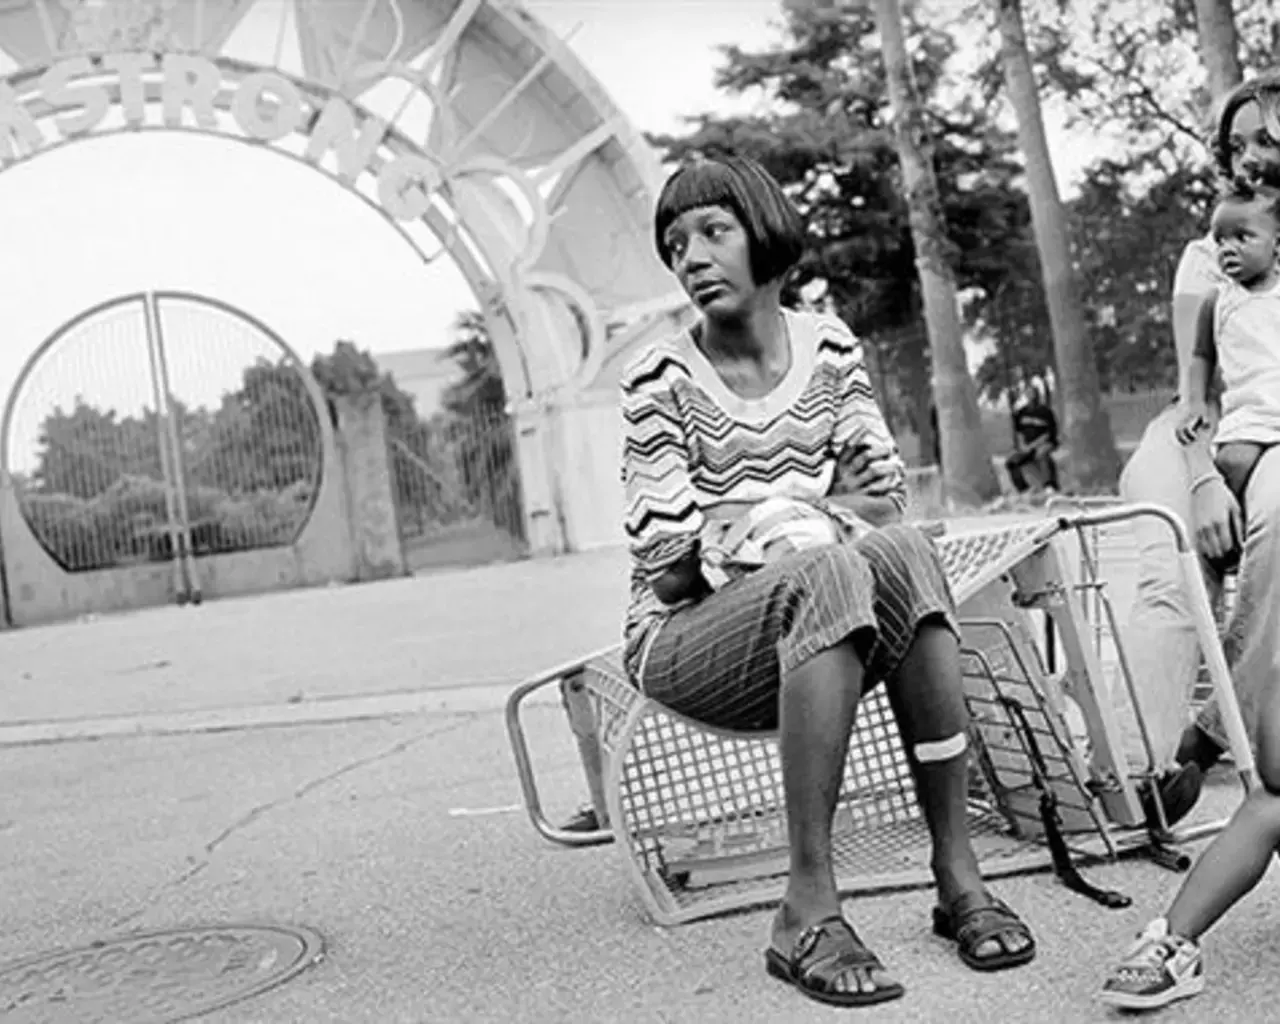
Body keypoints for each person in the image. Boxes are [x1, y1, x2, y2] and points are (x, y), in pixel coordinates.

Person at [619, 152, 1034, 1009]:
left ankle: (957, 871)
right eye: (674, 241)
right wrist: (809, 516)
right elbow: (668, 573)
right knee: (828, 565)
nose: (691, 256)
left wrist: (755, 521)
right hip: (688, 642)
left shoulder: (830, 345)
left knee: (903, 555)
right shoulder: (658, 377)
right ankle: (807, 906)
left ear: (763, 235)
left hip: (822, 616)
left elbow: (884, 503)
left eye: (712, 231)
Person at [1100, 73, 1280, 1011]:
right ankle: (1160, 754)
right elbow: (1193, 391)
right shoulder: (1215, 251)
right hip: (1225, 436)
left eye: (1273, 135)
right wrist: (1207, 473)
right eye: (1242, 138)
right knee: (1174, 520)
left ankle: (1213, 732)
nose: (1256, 150)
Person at [1177, 183, 1280, 519]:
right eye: (1220, 240)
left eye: (1242, 237)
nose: (1227, 249)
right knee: (1231, 464)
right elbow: (1200, 357)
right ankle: (1231, 547)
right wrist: (1194, 403)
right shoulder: (1216, 300)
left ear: (1276, 243)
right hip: (1248, 413)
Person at [1004, 383, 1060, 493]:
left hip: (1045, 443)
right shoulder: (1021, 413)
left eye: (1032, 393)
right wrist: (1023, 446)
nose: (1030, 396)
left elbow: (1049, 434)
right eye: (1028, 393)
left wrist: (1033, 446)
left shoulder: (1045, 412)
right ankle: (1023, 489)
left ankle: (1049, 485)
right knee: (1011, 462)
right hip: (1027, 446)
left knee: (1042, 455)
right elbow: (1018, 432)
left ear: (1037, 395)